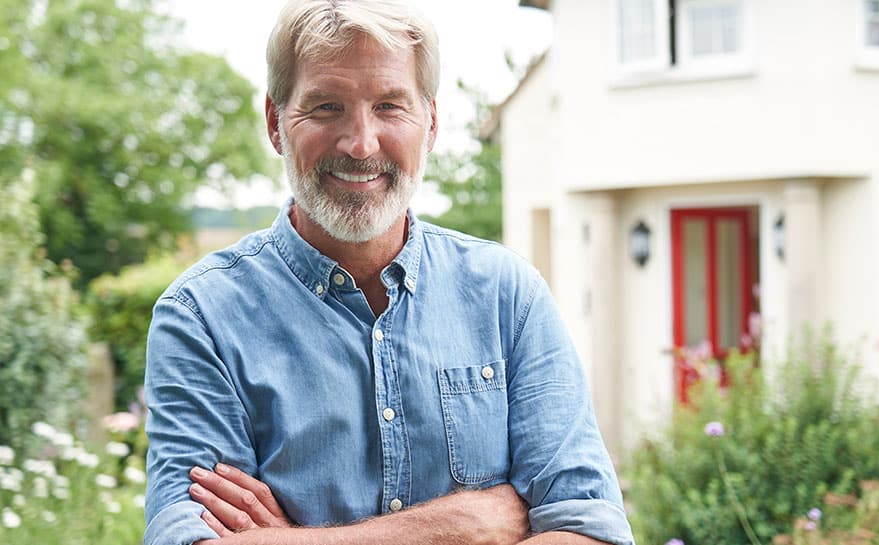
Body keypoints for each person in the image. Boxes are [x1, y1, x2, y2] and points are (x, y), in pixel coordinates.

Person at [143, 1, 635, 544]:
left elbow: (591, 531)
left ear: (431, 123)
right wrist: (461, 528)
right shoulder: (202, 317)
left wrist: (295, 539)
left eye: (389, 106)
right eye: (326, 107)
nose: (361, 143)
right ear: (275, 123)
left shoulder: (505, 295)